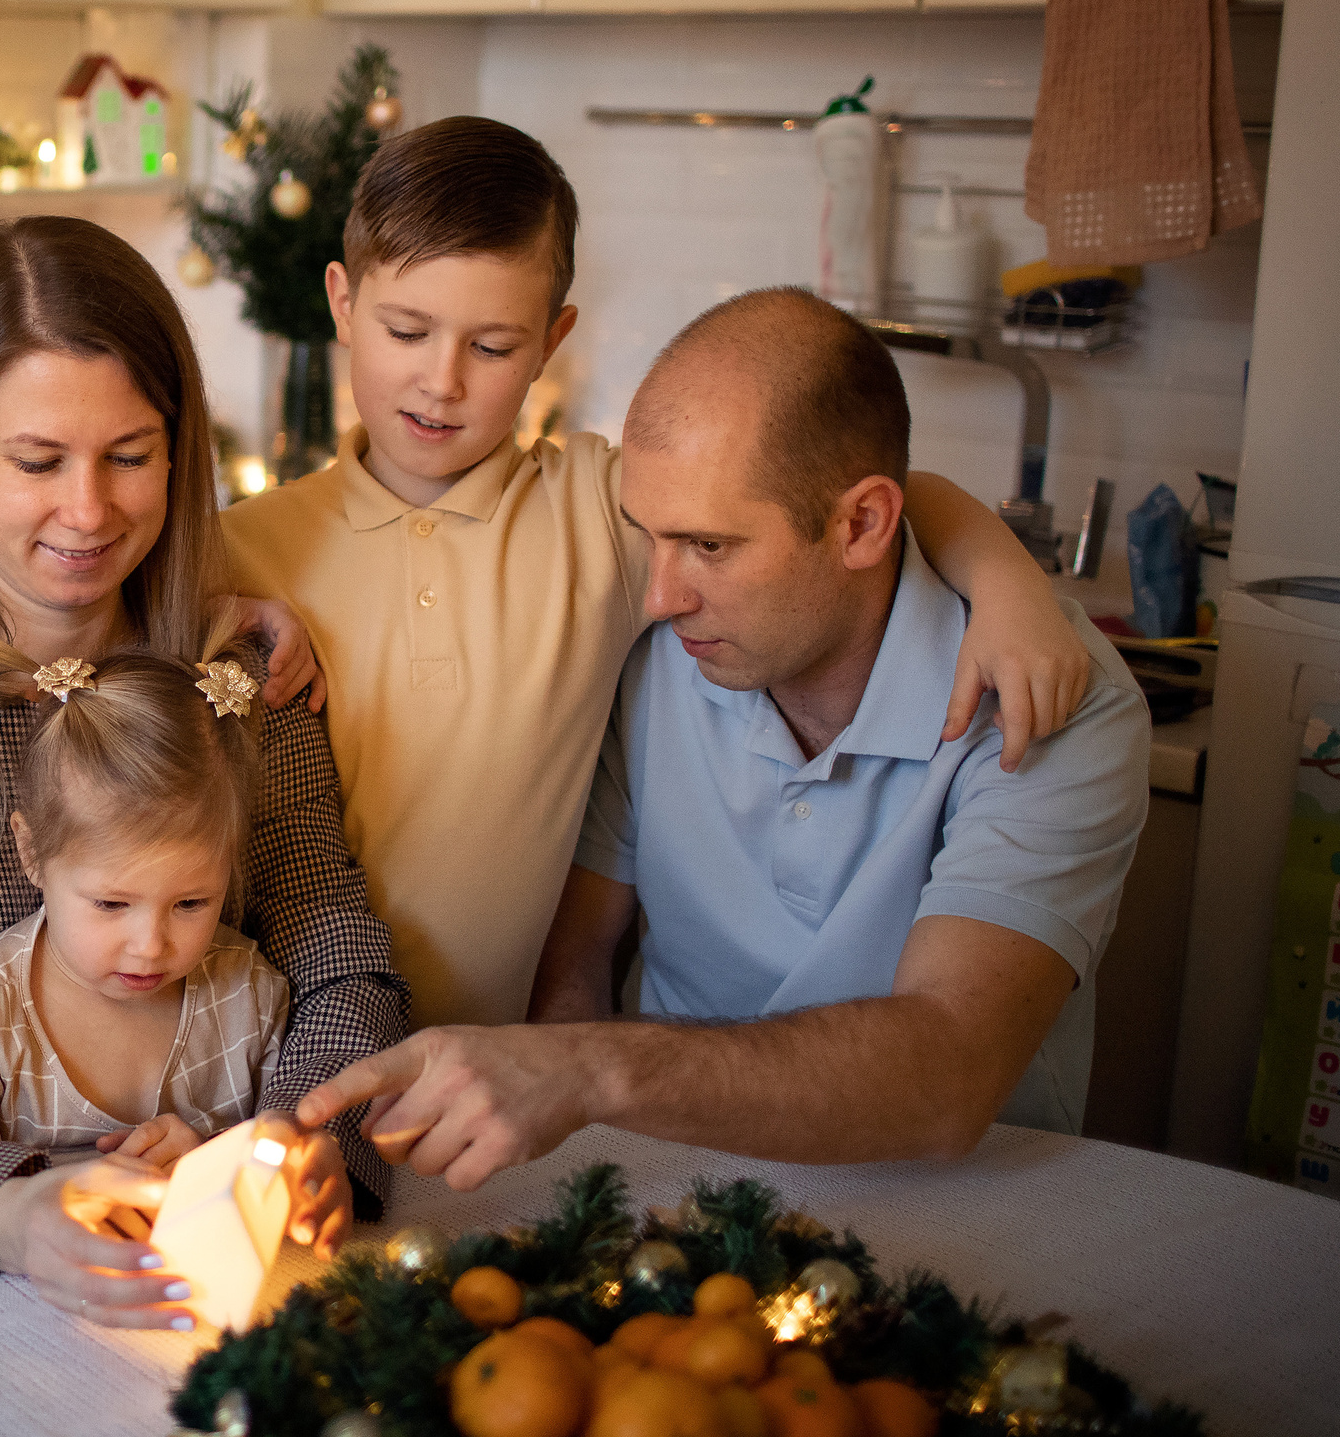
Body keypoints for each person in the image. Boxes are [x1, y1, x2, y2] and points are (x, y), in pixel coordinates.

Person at [222, 117, 1100, 1033]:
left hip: (488, 1082)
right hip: (276, 1063)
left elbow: (844, 499)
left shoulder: (603, 512)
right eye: (407, 330)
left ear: (552, 340)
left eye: (492, 348)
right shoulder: (245, 548)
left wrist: (1009, 590)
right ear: (342, 301)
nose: (441, 381)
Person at [294, 288, 1149, 1187]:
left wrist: (589, 1071)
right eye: (649, 538)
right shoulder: (659, 654)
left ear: (861, 523)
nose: (661, 594)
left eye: (709, 547)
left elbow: (950, 1068)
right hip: (672, 1190)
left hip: (964, 1222)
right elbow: (574, 958)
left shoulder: (1051, 703)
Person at [0, 216, 408, 1333]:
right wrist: (6, 1212)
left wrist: (297, 1142)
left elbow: (343, 967)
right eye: (37, 459)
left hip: (200, 1272)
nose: (90, 510)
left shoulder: (238, 685)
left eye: (130, 453)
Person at [0, 616, 337, 1218]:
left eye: (191, 903)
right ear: (31, 853)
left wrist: (214, 1159)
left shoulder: (250, 995)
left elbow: (274, 1171)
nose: (150, 946)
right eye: (112, 904)